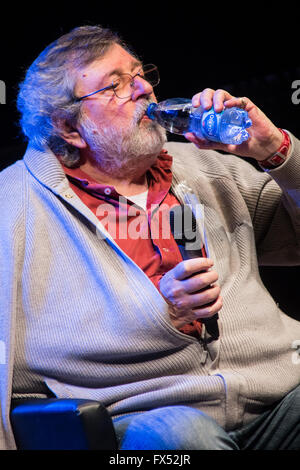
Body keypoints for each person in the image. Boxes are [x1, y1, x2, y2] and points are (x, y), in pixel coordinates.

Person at [0, 24, 300, 451]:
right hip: (139, 426)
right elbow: (29, 361)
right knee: (181, 435)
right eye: (115, 85)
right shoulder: (13, 208)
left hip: (278, 402)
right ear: (68, 127)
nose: (143, 89)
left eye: (140, 74)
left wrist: (274, 150)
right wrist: (165, 315)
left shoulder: (205, 166)